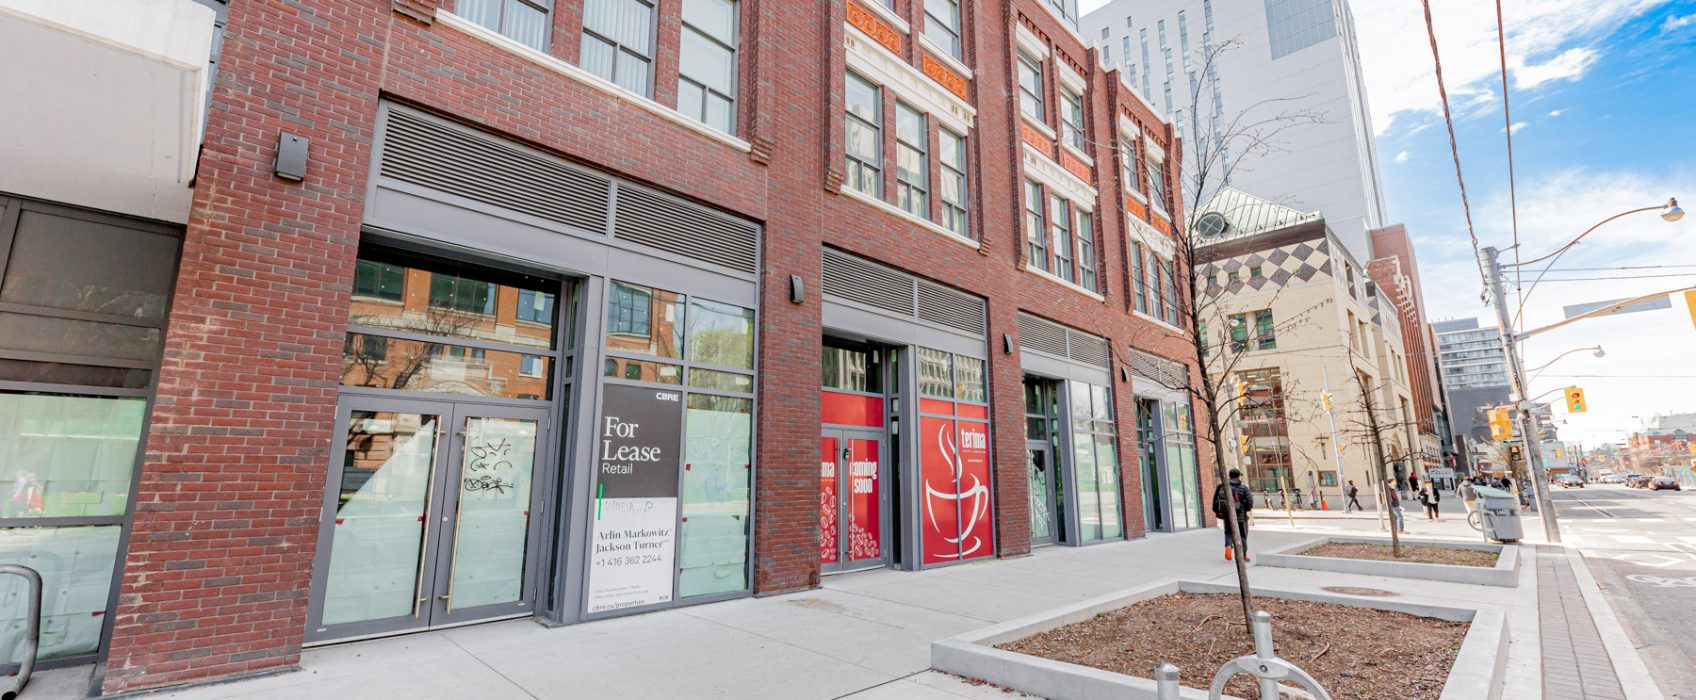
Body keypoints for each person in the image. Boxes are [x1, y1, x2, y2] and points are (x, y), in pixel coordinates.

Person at [1213, 468, 1254, 562]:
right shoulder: (1243, 487)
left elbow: (1215, 500)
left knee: (1228, 532)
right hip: (1240, 516)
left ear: (1230, 476)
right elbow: (1249, 502)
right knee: (1242, 535)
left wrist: (1219, 512)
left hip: (1227, 515)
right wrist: (1245, 509)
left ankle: (1228, 546)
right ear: (1239, 476)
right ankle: (1243, 555)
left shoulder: (1222, 486)